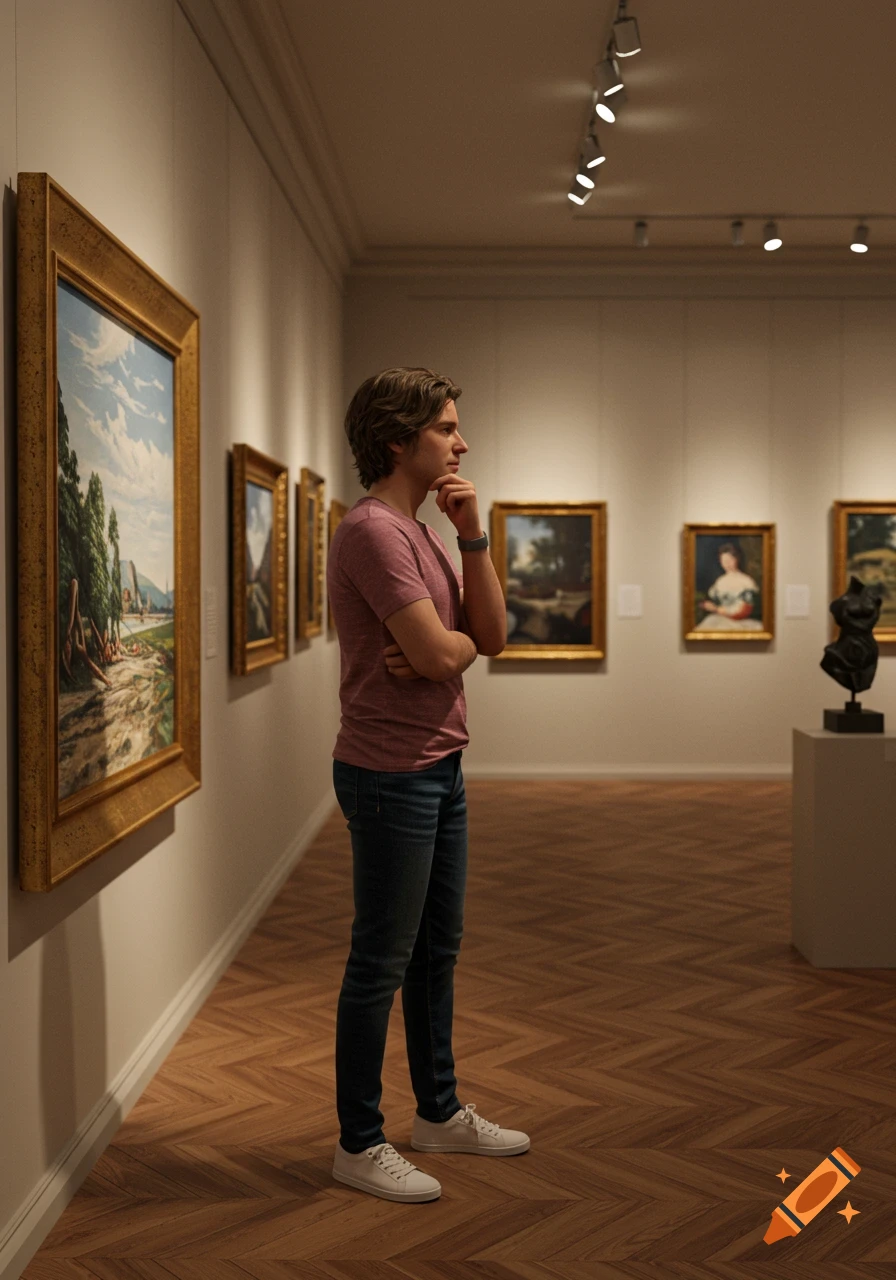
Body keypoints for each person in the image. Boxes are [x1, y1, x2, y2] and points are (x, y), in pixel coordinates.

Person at [327, 367, 530, 1204]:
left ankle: (438, 1113)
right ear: (398, 439)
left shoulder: (426, 531)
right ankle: (358, 1141)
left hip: (438, 763)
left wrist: (473, 534)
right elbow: (450, 654)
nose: (462, 441)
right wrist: (446, 649)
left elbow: (488, 637)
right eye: (447, 427)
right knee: (381, 959)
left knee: (435, 952)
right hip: (388, 772)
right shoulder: (373, 531)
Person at [694, 541, 763, 631]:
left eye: (730, 560)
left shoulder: (746, 582)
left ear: (737, 559)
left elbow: (744, 611)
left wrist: (716, 609)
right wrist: (706, 605)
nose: (727, 564)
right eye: (724, 561)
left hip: (740, 622)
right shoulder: (720, 581)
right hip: (720, 619)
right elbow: (715, 602)